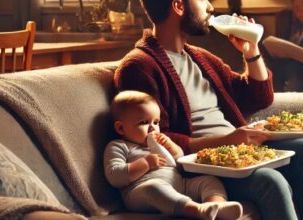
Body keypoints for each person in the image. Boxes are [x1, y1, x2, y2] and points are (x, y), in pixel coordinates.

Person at [114, 0, 303, 220]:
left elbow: (259, 98)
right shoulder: (140, 67)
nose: (210, 7)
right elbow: (157, 139)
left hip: (242, 146)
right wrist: (229, 140)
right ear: (179, 6)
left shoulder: (200, 57)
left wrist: (251, 51)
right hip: (208, 164)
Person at [104, 90, 242, 220]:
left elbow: (178, 161)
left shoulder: (159, 143)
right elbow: (115, 176)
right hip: (140, 192)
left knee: (209, 180)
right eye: (144, 122)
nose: (153, 128)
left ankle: (216, 206)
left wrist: (172, 147)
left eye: (156, 122)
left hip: (179, 183)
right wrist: (145, 163)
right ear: (121, 128)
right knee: (154, 187)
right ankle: (197, 210)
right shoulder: (118, 146)